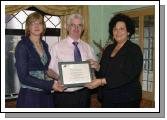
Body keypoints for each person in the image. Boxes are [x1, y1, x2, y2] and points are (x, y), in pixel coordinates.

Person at [85, 13, 143, 108]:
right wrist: (97, 67)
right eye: (115, 29)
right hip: (108, 97)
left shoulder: (134, 49)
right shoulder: (109, 49)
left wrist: (101, 81)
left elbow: (127, 75)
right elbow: (103, 72)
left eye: (121, 29)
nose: (117, 32)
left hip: (127, 99)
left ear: (128, 31)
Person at [15, 12, 63, 108]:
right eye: (33, 23)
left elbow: (45, 69)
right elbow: (23, 77)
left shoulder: (44, 45)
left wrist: (60, 77)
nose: (37, 26)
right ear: (28, 27)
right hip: (30, 96)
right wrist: (50, 85)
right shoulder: (22, 46)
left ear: (43, 26)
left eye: (39, 23)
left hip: (46, 94)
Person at [49, 13, 97, 108]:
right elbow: (49, 70)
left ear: (83, 28)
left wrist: (94, 70)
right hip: (63, 95)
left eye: (79, 25)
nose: (76, 28)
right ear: (67, 27)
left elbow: (93, 71)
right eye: (72, 25)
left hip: (84, 94)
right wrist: (60, 78)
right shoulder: (56, 47)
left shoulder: (88, 48)